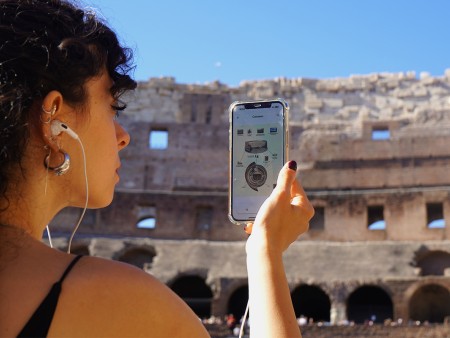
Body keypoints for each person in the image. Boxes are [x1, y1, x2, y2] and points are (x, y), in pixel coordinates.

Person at [0, 0, 314, 337]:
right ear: (55, 119)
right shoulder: (122, 300)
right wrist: (265, 252)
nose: (124, 136)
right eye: (112, 106)